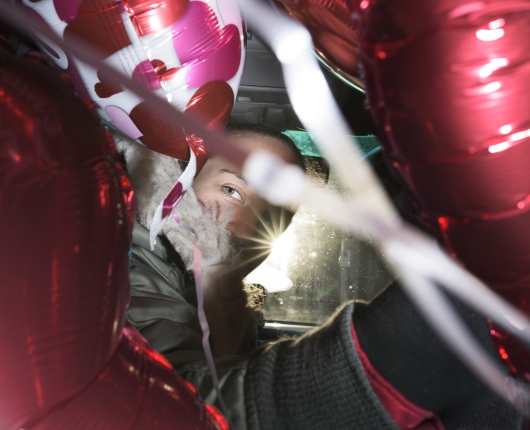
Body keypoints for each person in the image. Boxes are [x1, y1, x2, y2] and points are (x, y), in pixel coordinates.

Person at [114, 124, 523, 430]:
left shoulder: (218, 300)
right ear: (180, 180)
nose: (240, 222)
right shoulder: (119, 252)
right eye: (232, 190)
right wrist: (397, 350)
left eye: (268, 217)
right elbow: (161, 402)